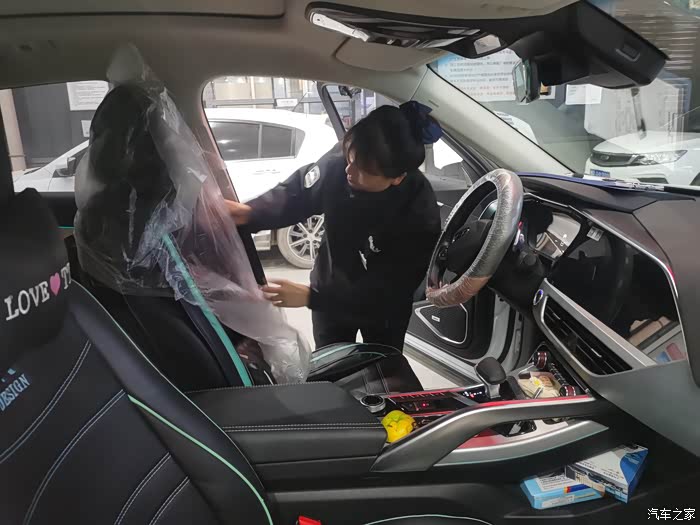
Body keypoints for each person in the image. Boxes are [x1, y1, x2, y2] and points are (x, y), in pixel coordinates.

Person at [226, 102, 443, 351]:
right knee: (330, 361)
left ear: (397, 177)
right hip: (332, 282)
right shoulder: (345, 163)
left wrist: (312, 297)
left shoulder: (419, 212)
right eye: (350, 158)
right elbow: (298, 194)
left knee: (383, 360)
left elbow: (390, 291)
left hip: (383, 307)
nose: (349, 170)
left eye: (364, 170)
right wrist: (250, 213)